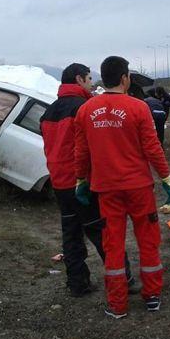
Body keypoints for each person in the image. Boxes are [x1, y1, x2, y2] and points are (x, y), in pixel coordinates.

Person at [74, 56, 170, 319]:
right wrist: (166, 178)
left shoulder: (86, 110)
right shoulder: (138, 108)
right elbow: (152, 147)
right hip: (139, 187)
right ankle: (152, 296)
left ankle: (117, 305)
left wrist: (81, 180)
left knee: (113, 246)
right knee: (148, 241)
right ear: (123, 78)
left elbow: (81, 152)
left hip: (106, 190)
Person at [40, 63, 133, 297]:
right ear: (79, 79)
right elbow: (94, 147)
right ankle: (125, 280)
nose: (92, 83)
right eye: (89, 78)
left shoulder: (47, 112)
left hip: (59, 184)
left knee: (71, 236)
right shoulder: (85, 108)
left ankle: (78, 285)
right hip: (83, 184)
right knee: (104, 235)